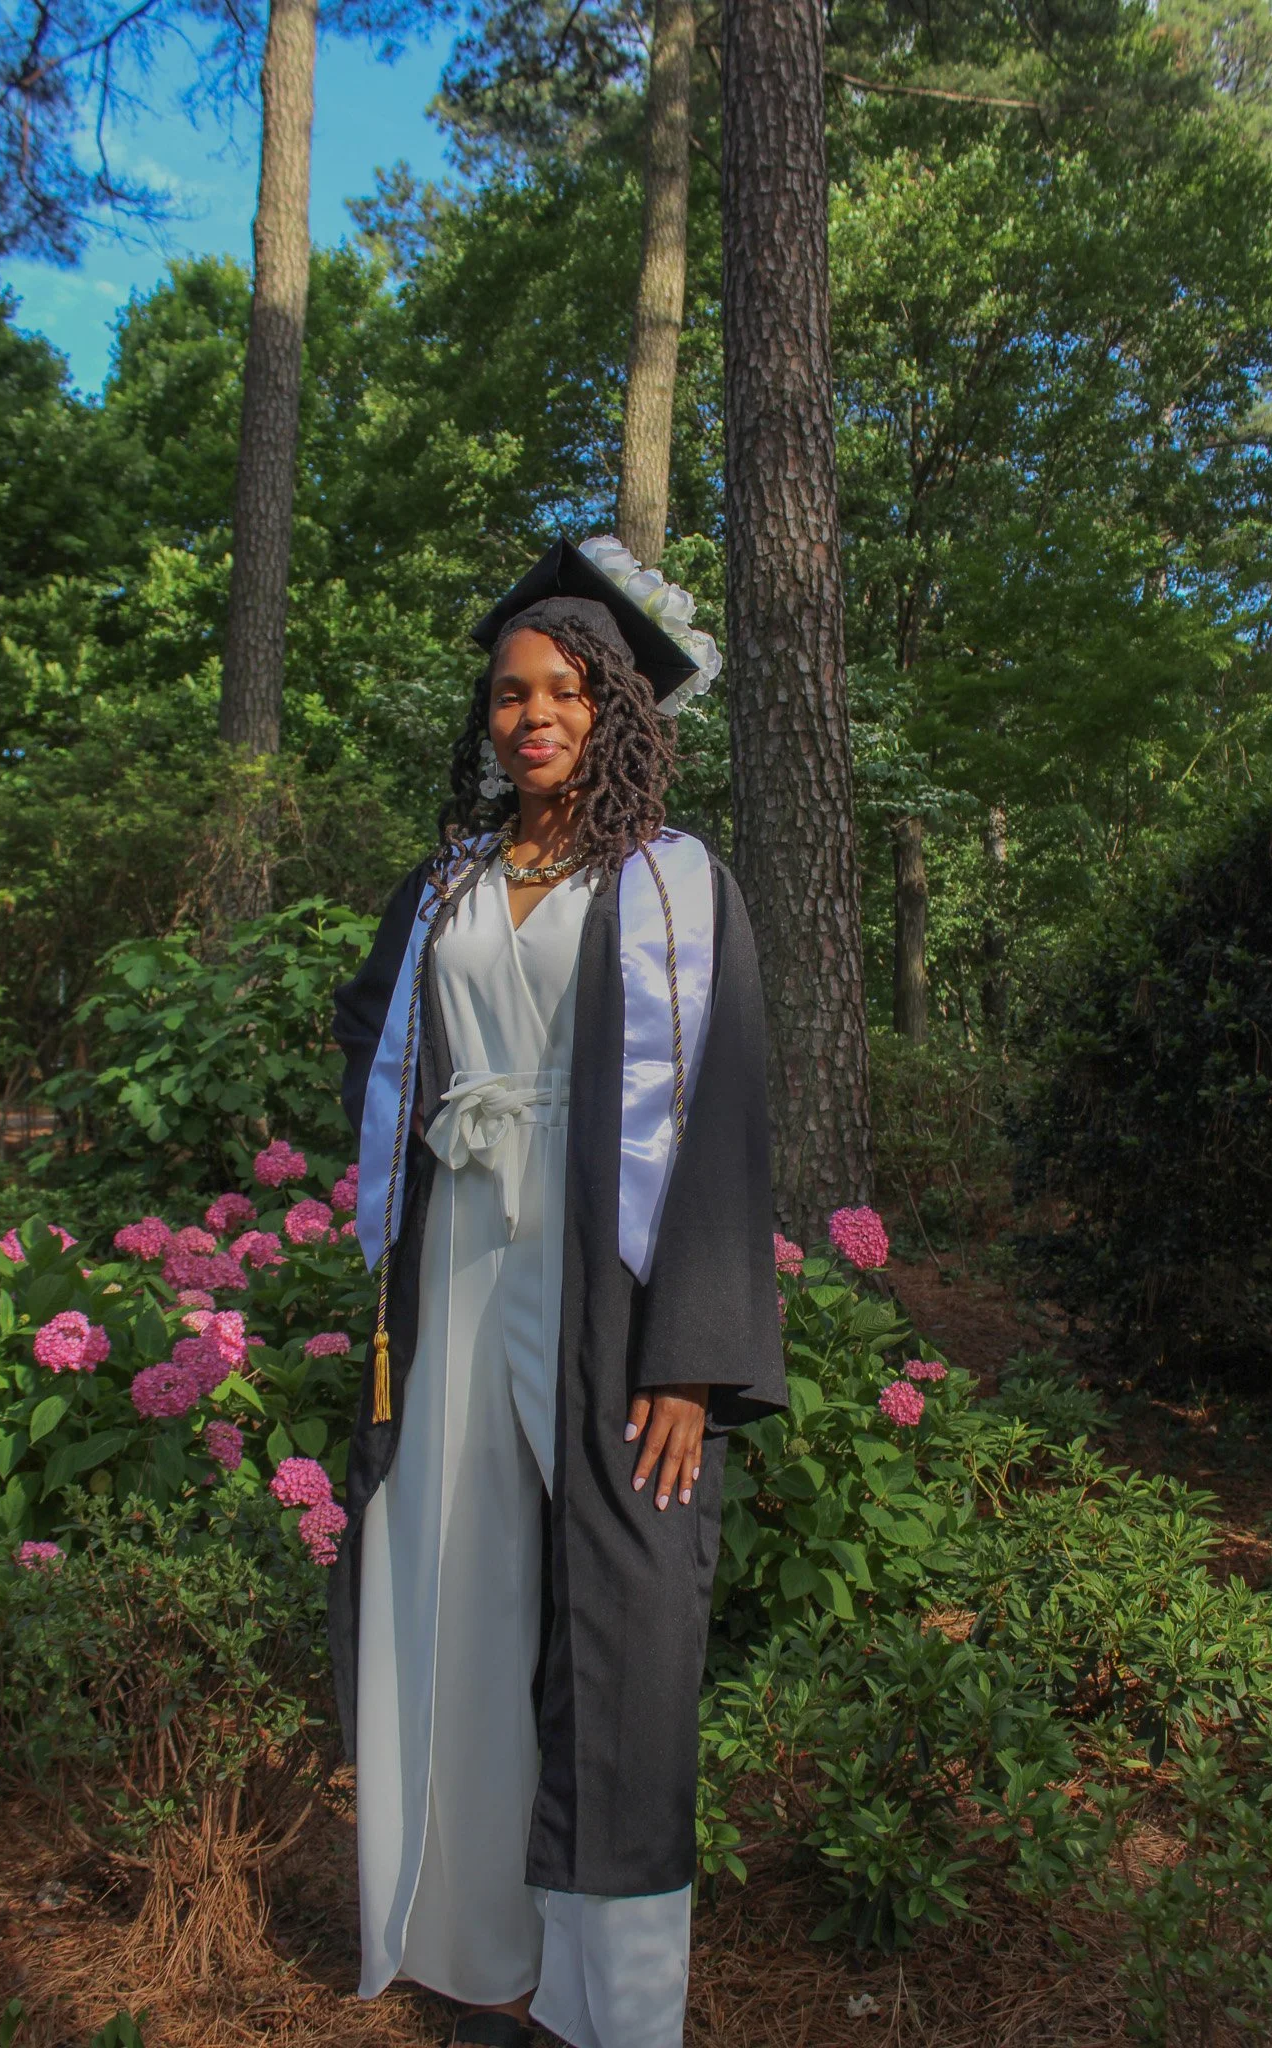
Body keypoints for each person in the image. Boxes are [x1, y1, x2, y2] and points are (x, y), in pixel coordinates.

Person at [329, 535, 787, 2048]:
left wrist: (690, 1356)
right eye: (510, 694)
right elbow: (374, 1042)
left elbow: (720, 1118)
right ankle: (476, 1956)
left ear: (617, 713)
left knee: (620, 1621)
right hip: (459, 1264)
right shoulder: (448, 880)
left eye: (565, 691)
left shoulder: (673, 886)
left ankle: (612, 2004)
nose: (531, 715)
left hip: (604, 1279)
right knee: (453, 1584)